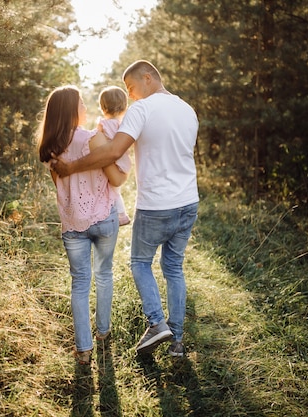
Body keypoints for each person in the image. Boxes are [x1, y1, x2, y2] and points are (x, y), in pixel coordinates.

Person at [51, 60, 199, 358]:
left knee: (140, 264)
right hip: (188, 202)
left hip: (157, 205)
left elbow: (113, 151)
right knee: (173, 268)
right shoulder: (187, 109)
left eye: (131, 87)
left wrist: (70, 168)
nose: (130, 95)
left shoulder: (142, 109)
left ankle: (157, 323)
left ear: (147, 78)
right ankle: (178, 343)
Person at [36, 85, 128, 365]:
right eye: (81, 104)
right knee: (104, 274)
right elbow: (117, 180)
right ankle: (103, 331)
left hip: (73, 224)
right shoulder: (93, 139)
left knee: (79, 284)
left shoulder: (50, 148)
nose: (86, 108)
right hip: (103, 218)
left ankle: (83, 349)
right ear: (71, 110)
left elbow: (61, 188)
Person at [96, 86, 132, 226]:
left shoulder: (102, 124)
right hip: (123, 162)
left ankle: (120, 214)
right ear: (125, 106)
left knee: (110, 190)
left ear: (102, 107)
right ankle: (117, 213)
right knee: (115, 190)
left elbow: (94, 139)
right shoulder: (125, 124)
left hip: (111, 161)